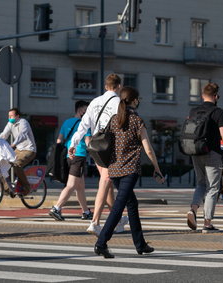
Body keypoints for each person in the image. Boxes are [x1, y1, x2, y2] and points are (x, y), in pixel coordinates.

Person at [94, 86, 165, 258]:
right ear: (133, 100)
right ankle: (101, 243)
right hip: (130, 169)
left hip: (114, 169)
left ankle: (140, 244)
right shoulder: (136, 120)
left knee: (131, 204)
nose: (139, 101)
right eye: (138, 99)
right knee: (119, 206)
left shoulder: (113, 119)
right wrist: (157, 168)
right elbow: (148, 149)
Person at [69, 73, 128, 236]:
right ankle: (95, 222)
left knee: (107, 184)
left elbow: (83, 125)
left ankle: (119, 219)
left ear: (105, 86)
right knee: (105, 181)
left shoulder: (94, 102)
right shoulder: (119, 104)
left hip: (96, 146)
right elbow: (123, 129)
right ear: (119, 86)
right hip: (112, 147)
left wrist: (73, 144)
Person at [187, 83, 223, 233]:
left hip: (195, 151)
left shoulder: (194, 110)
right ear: (216, 96)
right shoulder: (218, 112)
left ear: (202, 95)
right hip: (212, 153)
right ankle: (207, 223)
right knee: (213, 187)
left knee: (201, 184)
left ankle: (193, 210)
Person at [49, 100, 93, 221]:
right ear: (80, 110)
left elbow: (59, 140)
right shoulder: (84, 123)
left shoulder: (67, 122)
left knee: (80, 186)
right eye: (86, 110)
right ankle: (56, 208)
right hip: (79, 156)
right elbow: (88, 142)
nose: (88, 112)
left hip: (68, 156)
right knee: (72, 185)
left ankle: (86, 211)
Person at [0, 108, 37, 196]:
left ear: (17, 116)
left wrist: (13, 144)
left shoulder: (23, 122)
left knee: (17, 164)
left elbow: (22, 135)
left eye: (11, 116)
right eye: (8, 116)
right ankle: (8, 189)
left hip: (29, 149)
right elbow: (4, 134)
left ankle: (27, 188)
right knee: (3, 164)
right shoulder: (10, 123)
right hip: (18, 150)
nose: (9, 118)